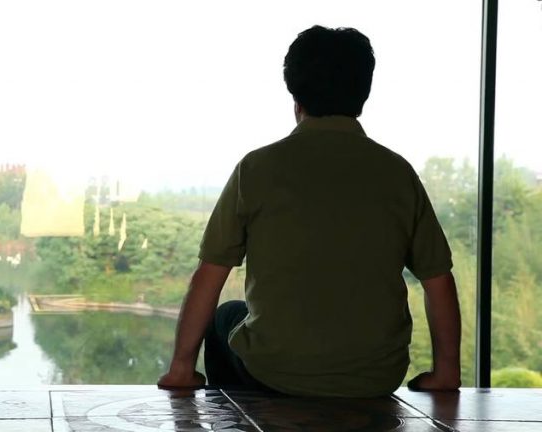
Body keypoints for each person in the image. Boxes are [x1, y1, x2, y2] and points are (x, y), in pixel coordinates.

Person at [157, 25, 462, 397]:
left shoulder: (256, 169)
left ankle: (244, 417)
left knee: (226, 317)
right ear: (363, 94)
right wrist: (447, 373)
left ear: (295, 95)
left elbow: (210, 274)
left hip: (275, 373)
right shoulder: (398, 173)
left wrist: (181, 368)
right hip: (376, 377)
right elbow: (438, 280)